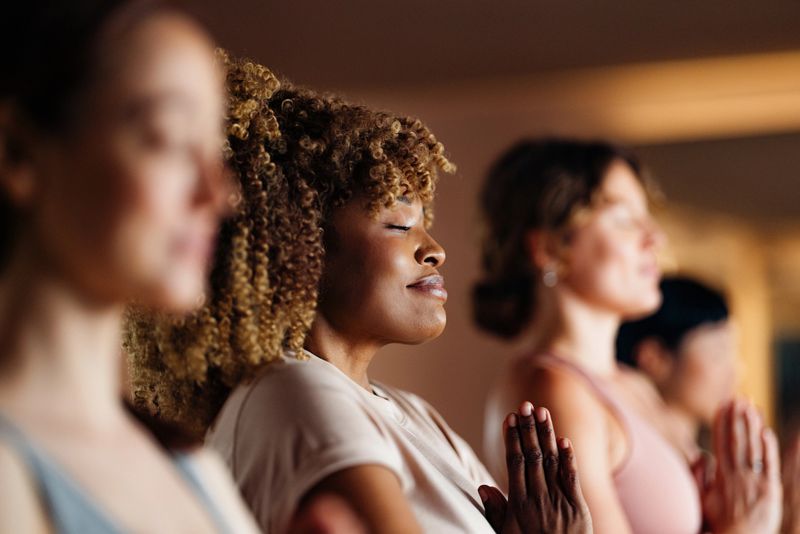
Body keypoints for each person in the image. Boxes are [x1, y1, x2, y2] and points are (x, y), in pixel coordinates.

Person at [126, 54, 592, 534]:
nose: (435, 251)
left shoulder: (412, 414)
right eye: (399, 224)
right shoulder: (296, 396)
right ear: (301, 246)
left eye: (425, 226)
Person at [0, 1, 260, 532]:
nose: (218, 194)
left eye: (215, 151)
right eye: (167, 138)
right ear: (18, 153)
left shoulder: (194, 467)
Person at [473, 139, 783, 534]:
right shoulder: (554, 390)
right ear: (549, 247)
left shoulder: (634, 384)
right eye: (623, 219)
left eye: (647, 217)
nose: (656, 238)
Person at [616, 276, 737, 460]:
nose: (734, 372)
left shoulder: (699, 457)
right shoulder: (631, 451)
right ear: (653, 359)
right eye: (718, 353)